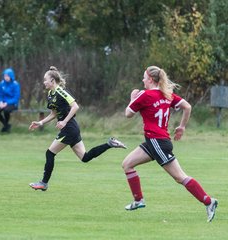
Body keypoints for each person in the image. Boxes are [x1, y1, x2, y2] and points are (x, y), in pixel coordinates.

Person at [122, 66, 218, 222]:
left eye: (144, 77)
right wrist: (182, 127)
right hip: (156, 142)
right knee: (127, 164)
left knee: (180, 177)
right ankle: (138, 200)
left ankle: (209, 201)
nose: (142, 80)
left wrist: (132, 98)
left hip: (157, 142)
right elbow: (188, 106)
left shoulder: (144, 95)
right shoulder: (166, 94)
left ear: (151, 79)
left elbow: (127, 114)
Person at [29, 66, 127, 191]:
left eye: (45, 80)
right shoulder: (50, 94)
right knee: (85, 158)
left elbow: (75, 106)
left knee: (50, 153)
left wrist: (64, 122)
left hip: (69, 128)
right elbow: (53, 114)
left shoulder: (61, 91)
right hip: (71, 128)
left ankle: (44, 183)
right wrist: (40, 122)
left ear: (52, 80)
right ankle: (110, 143)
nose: (44, 82)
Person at [0, 68, 20, 132]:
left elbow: (16, 98)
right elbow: (0, 94)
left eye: (7, 76)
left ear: (11, 76)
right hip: (3, 103)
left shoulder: (15, 84)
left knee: (6, 110)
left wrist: (7, 103)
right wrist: (1, 102)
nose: (6, 77)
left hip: (13, 104)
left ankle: (5, 127)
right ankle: (6, 125)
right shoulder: (1, 84)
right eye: (5, 76)